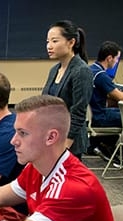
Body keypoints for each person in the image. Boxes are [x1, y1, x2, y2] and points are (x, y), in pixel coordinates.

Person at [41, 20, 93, 158]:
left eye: (54, 41)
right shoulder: (55, 69)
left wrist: (65, 145)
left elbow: (78, 112)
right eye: (47, 42)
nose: (49, 46)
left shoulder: (81, 71)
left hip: (70, 142)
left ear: (71, 43)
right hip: (52, 136)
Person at [88, 41, 123, 128]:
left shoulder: (90, 69)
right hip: (100, 117)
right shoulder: (101, 75)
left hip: (92, 114)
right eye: (117, 58)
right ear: (109, 58)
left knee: (117, 110)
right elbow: (122, 98)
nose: (117, 62)